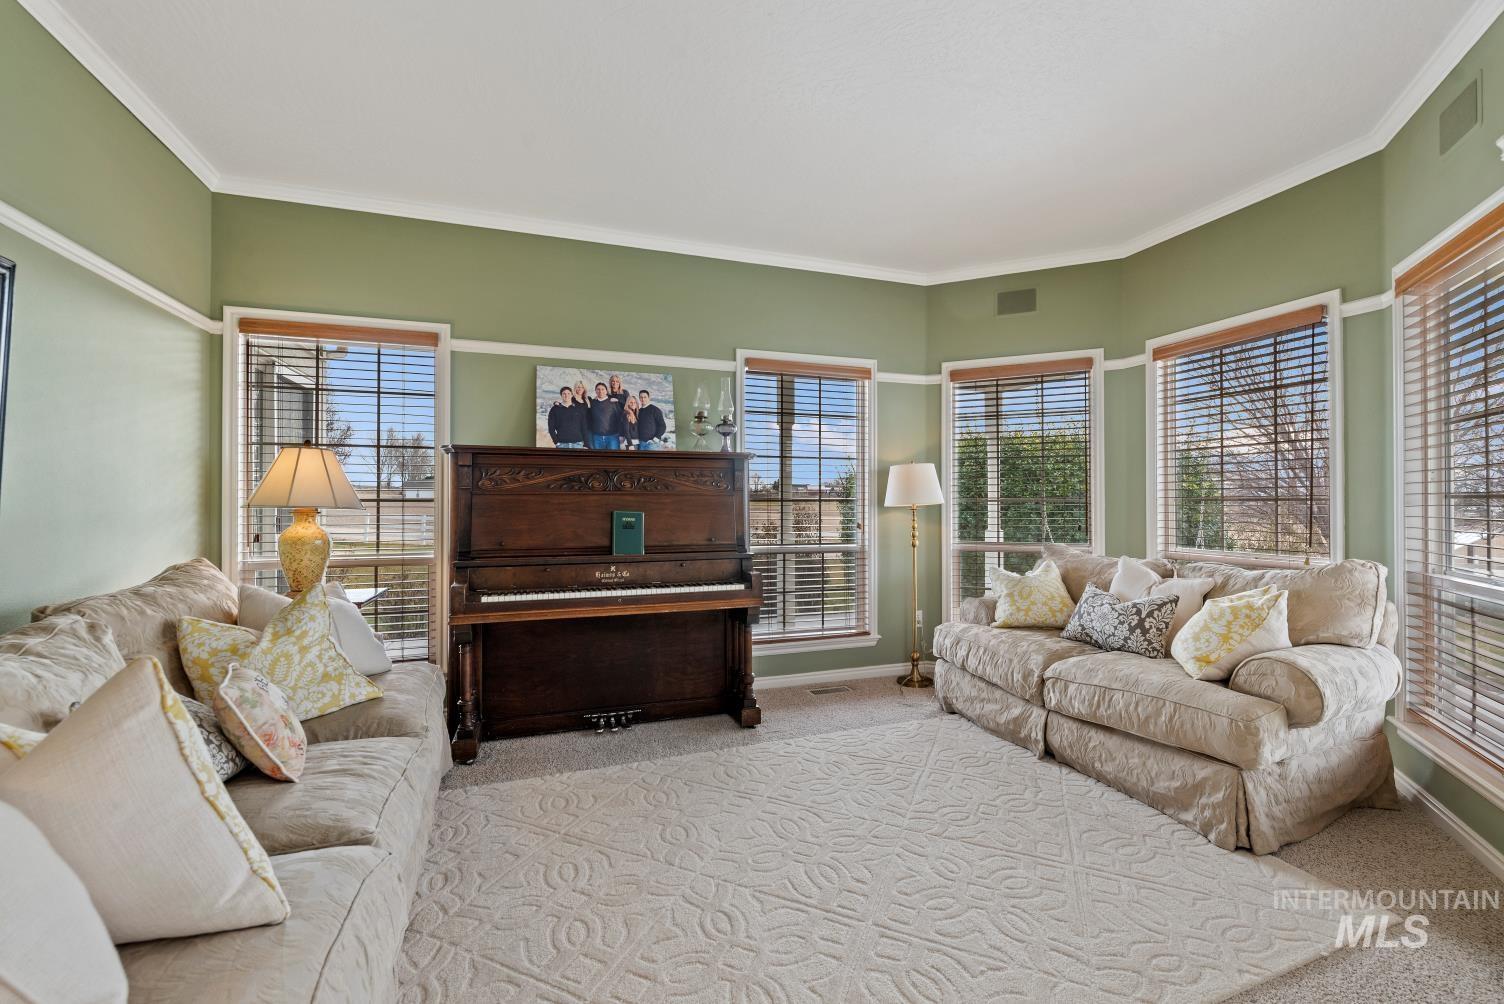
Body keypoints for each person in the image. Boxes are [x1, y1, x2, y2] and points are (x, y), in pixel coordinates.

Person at [586, 381, 622, 450]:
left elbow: (620, 418)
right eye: (598, 389)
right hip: (597, 437)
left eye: (603, 389)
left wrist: (621, 434)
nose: (600, 391)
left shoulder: (613, 402)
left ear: (606, 391)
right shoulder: (593, 403)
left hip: (612, 437)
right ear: (595, 391)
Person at [606, 375, 631, 447]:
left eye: (617, 381)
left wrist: (618, 400)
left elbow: (629, 405)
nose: (615, 383)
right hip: (611, 423)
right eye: (613, 381)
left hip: (623, 422)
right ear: (610, 382)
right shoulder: (607, 393)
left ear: (619, 383)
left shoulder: (625, 392)